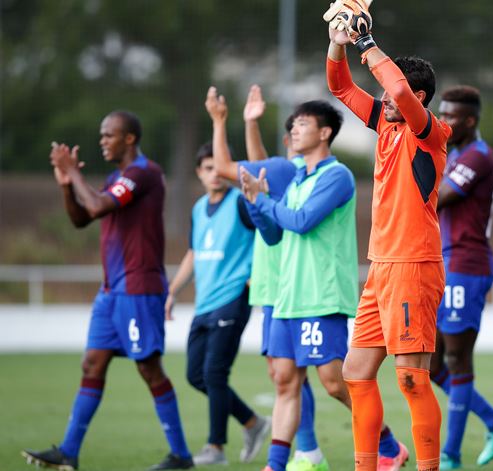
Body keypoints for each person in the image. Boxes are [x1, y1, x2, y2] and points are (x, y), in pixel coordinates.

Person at [208, 89, 407, 471]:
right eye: (292, 125)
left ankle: (388, 444)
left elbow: (301, 222)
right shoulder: (298, 179)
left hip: (322, 295)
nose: (293, 131)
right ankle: (276, 464)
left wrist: (264, 201)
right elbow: (274, 235)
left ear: (326, 132)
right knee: (285, 380)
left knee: (334, 383)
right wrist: (256, 203)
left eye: (302, 124)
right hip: (288, 297)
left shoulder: (337, 176)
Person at [23, 111, 193, 470]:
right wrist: (66, 184)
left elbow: (98, 205)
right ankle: (69, 451)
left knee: (149, 368)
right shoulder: (118, 177)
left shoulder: (144, 173)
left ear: (129, 139)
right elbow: (81, 218)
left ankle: (180, 455)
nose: (102, 141)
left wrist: (74, 172)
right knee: (92, 363)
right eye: (101, 135)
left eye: (108, 135)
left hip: (138, 287)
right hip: (111, 291)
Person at [326, 6, 453, 470]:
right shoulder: (386, 123)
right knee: (355, 373)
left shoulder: (430, 133)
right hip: (381, 267)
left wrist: (367, 42)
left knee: (412, 380)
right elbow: (339, 86)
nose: (384, 95)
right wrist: (339, 40)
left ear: (419, 97)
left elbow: (396, 85)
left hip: (414, 266)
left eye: (396, 91)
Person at [165, 143, 270, 465]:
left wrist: (255, 276)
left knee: (214, 372)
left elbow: (267, 235)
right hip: (204, 303)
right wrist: (171, 292)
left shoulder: (241, 202)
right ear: (199, 173)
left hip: (233, 298)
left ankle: (215, 448)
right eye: (208, 168)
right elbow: (194, 254)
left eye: (219, 167)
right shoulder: (198, 209)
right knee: (196, 375)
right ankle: (253, 423)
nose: (214, 174)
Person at [430, 85, 493, 470]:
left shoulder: (479, 156)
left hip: (467, 265)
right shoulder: (453, 152)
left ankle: (449, 455)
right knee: (431, 365)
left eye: (450, 115)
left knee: (456, 357)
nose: (443, 119)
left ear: (469, 120)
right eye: (441, 112)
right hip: (441, 263)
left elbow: (438, 197)